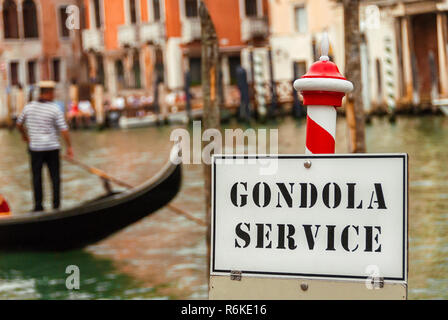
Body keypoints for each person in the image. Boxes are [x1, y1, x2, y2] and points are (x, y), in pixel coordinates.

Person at [16, 81, 74, 212]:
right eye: (53, 92)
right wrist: (69, 147)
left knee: (37, 177)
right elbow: (64, 129)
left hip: (35, 148)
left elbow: (19, 124)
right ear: (48, 93)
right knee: (55, 178)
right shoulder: (54, 109)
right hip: (52, 148)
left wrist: (24, 136)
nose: (54, 95)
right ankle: (56, 207)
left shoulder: (28, 107)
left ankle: (38, 207)